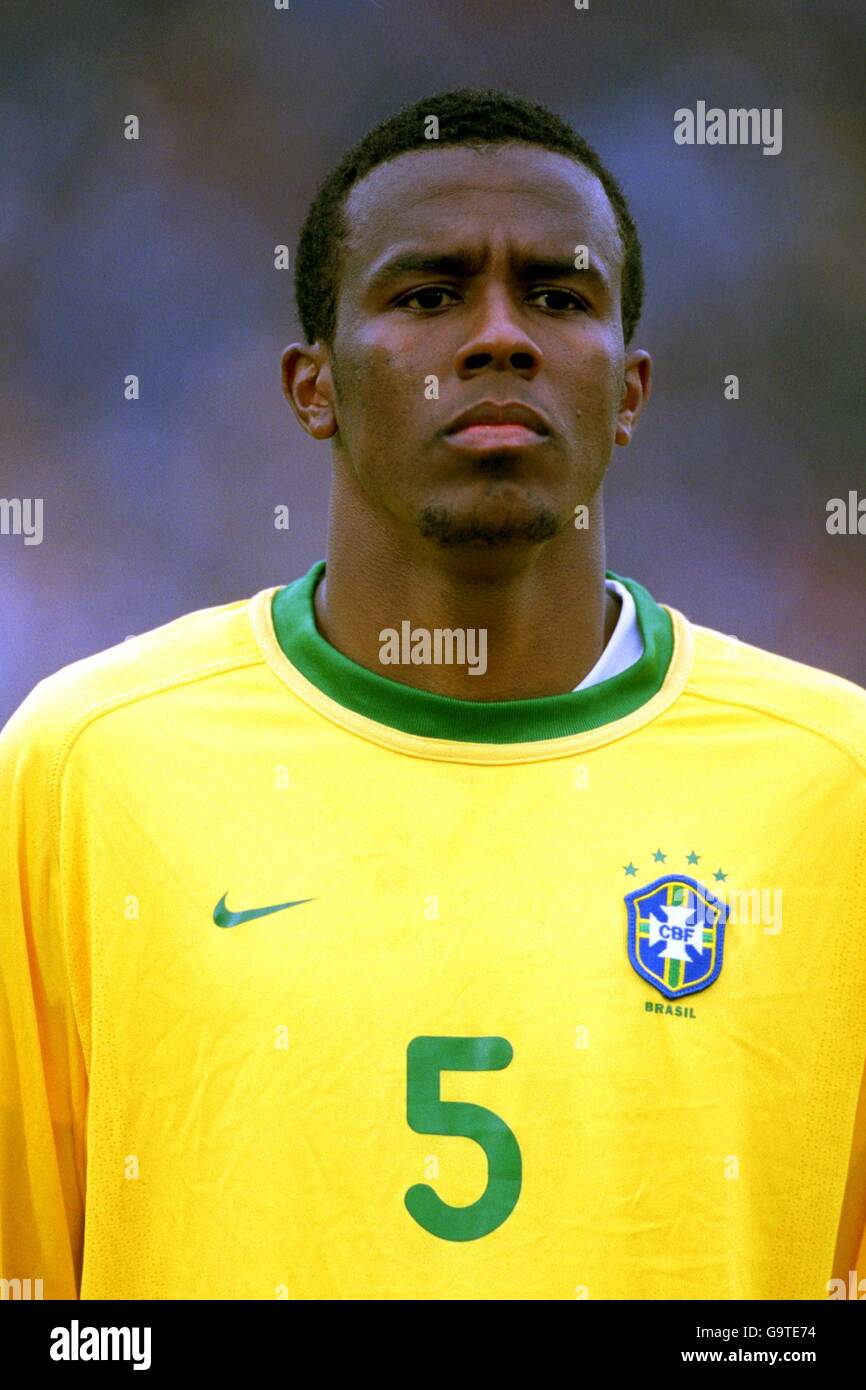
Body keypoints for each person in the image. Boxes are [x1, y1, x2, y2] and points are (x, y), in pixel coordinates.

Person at [2, 86, 864, 1301]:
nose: (498, 336)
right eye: (427, 294)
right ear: (312, 386)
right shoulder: (88, 762)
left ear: (628, 390)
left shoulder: (832, 784)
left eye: (558, 297)